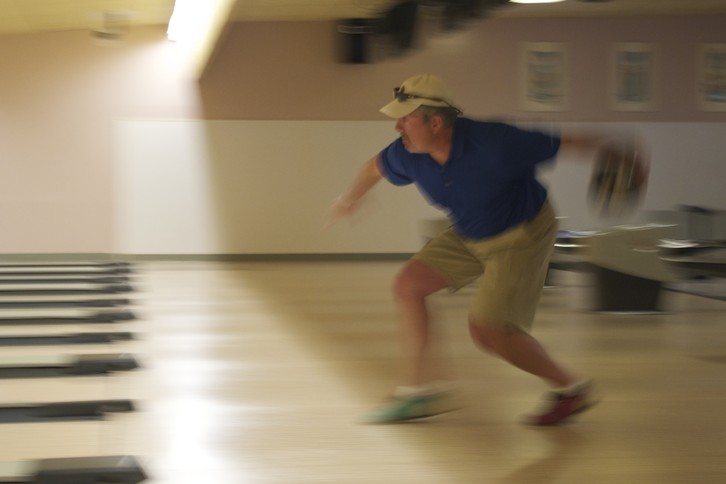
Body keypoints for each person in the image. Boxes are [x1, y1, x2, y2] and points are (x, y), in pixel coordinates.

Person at [328, 73, 599, 426]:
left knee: (489, 331)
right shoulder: (409, 154)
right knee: (409, 285)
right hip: (471, 229)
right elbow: (374, 167)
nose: (398, 127)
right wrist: (348, 200)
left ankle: (570, 388)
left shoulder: (495, 143)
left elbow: (564, 142)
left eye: (406, 118)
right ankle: (417, 392)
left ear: (436, 122)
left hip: (521, 233)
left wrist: (617, 149)